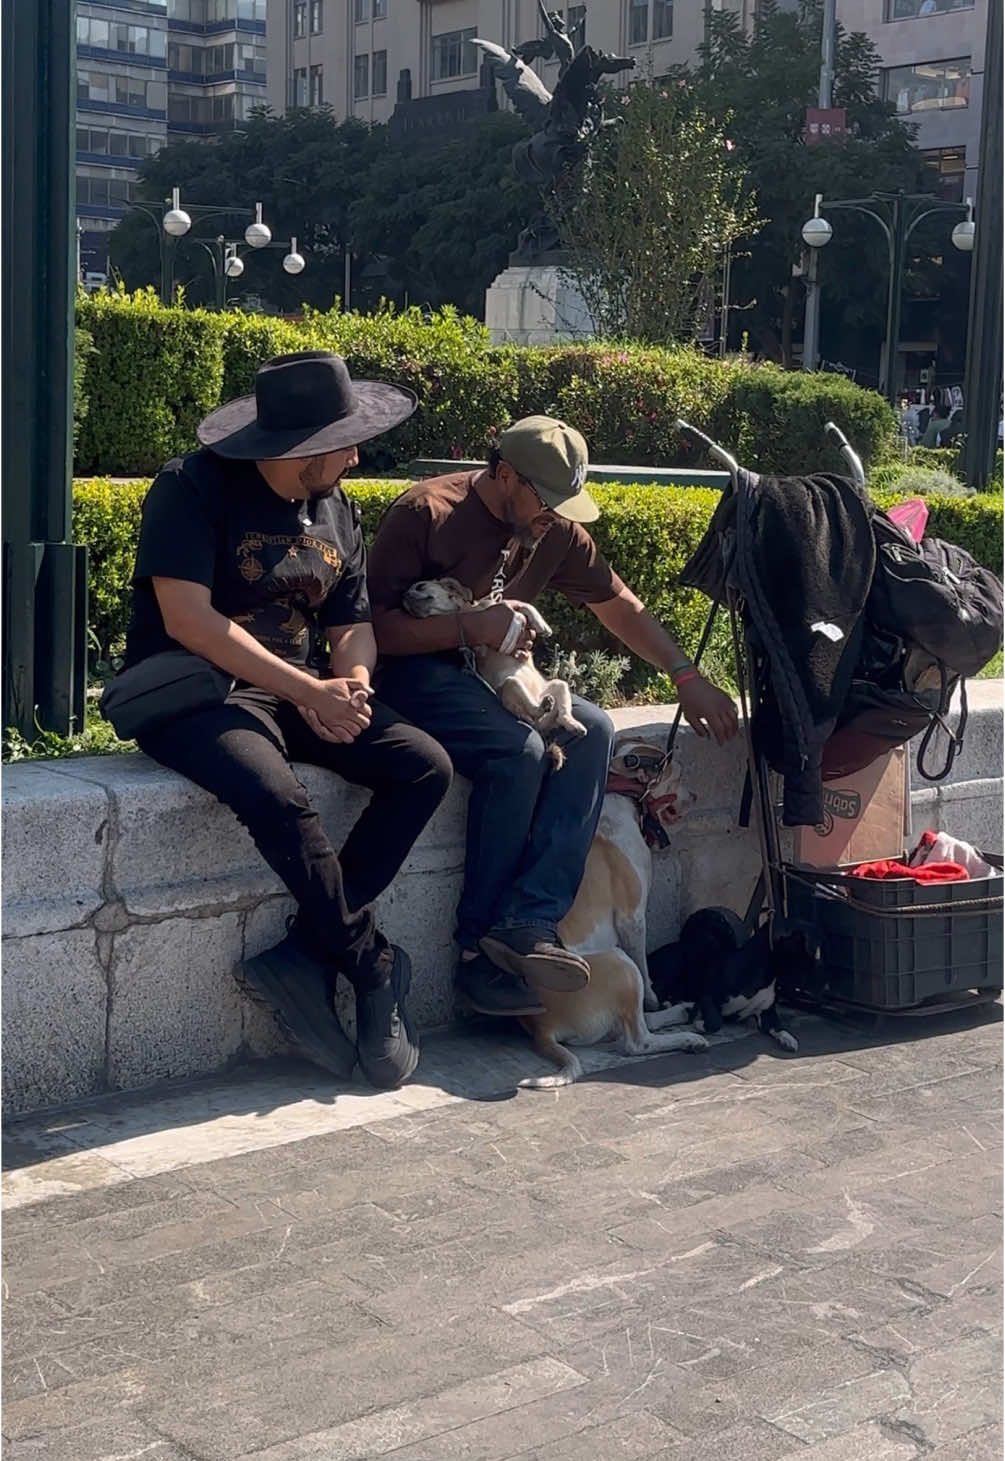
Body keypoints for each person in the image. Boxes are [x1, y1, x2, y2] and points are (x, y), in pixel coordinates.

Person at [120, 352, 453, 1089]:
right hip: (200, 691)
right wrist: (309, 690)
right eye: (344, 440)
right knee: (273, 793)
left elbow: (351, 621)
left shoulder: (338, 506)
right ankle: (372, 963)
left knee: (422, 764)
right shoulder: (192, 486)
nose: (357, 454)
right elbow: (189, 619)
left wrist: (352, 685)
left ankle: (307, 951)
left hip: (301, 688)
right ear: (297, 445)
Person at [367, 415, 739, 1018]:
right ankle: (475, 957)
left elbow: (617, 605)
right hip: (415, 675)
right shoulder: (425, 513)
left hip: (492, 677)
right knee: (519, 751)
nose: (556, 517)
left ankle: (530, 921)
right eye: (548, 501)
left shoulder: (553, 530)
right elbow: (373, 629)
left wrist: (686, 675)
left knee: (593, 730)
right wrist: (468, 626)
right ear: (505, 475)